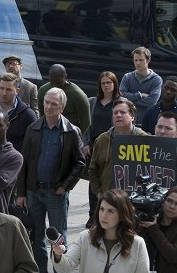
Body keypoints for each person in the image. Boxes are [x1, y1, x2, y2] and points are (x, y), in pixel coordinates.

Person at [17, 87, 86, 273]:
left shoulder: (71, 131)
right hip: (33, 191)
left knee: (58, 238)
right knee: (36, 236)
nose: (48, 107)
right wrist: (21, 192)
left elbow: (80, 162)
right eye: (46, 102)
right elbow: (24, 162)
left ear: (62, 107)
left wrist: (65, 186)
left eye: (53, 104)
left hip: (56, 193)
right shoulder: (34, 128)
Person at [51, 189, 150, 273]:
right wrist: (58, 255)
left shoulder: (137, 244)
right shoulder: (85, 237)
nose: (103, 215)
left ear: (122, 215)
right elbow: (64, 267)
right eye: (101, 209)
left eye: (110, 211)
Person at [89, 100, 147, 201]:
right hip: (107, 199)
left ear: (132, 116)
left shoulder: (144, 140)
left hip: (135, 203)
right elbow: (93, 170)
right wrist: (98, 193)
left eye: (123, 112)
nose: (118, 115)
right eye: (115, 113)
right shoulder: (102, 140)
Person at [84, 71, 122, 224]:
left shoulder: (120, 102)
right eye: (103, 83)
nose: (106, 85)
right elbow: (86, 125)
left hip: (112, 145)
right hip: (95, 147)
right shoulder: (92, 101)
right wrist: (86, 143)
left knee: (109, 181)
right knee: (93, 179)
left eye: (109, 82)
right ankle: (93, 213)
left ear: (114, 84)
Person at [0, 72, 37, 152]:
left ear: (17, 91)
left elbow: (32, 146)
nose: (4, 93)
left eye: (9, 90)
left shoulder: (28, 115)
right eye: (1, 88)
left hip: (14, 161)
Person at [139, 186, 177, 273]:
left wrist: (154, 229)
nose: (172, 206)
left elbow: (173, 256)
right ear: (162, 201)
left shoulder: (153, 226)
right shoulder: (151, 220)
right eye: (169, 201)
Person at [38, 63, 91, 135]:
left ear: (65, 76)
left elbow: (86, 121)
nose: (55, 86)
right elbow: (41, 115)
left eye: (58, 83)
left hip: (68, 134)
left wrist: (76, 136)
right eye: (53, 82)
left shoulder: (77, 95)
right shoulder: (43, 91)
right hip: (48, 132)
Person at [120, 46, 163, 121]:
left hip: (146, 119)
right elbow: (121, 96)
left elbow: (152, 101)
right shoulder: (127, 77)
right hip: (127, 119)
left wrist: (129, 99)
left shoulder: (157, 80)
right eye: (135, 60)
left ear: (148, 60)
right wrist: (139, 95)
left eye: (141, 60)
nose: (138, 63)